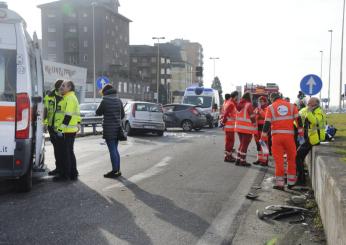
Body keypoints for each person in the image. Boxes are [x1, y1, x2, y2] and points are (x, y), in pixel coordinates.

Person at [261, 92, 304, 190]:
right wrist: (300, 133)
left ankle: (280, 184)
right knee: (291, 159)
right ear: (280, 97)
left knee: (279, 160)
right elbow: (299, 120)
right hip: (289, 137)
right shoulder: (292, 106)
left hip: (276, 137)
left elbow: (267, 123)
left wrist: (263, 137)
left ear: (272, 98)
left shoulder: (271, 107)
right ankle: (291, 183)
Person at [96, 84, 125, 178]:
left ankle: (115, 171)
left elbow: (98, 112)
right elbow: (123, 115)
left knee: (112, 150)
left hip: (109, 129)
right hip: (117, 128)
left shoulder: (105, 101)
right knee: (115, 149)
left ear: (105, 92)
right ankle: (118, 170)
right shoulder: (119, 100)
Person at [54, 80, 81, 181]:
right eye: (61, 85)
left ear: (69, 88)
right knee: (69, 152)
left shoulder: (69, 98)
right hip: (69, 130)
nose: (61, 87)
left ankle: (66, 176)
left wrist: (60, 129)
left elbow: (68, 116)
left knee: (66, 154)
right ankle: (73, 173)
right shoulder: (69, 97)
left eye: (63, 86)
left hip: (67, 131)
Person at [295, 97, 326, 185]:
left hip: (314, 138)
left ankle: (301, 180)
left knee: (297, 156)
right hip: (306, 137)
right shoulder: (307, 109)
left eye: (310, 103)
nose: (308, 104)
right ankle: (299, 177)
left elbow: (315, 121)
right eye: (307, 103)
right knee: (298, 156)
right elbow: (298, 118)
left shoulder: (319, 111)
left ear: (315, 104)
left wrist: (308, 112)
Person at [43, 79, 63, 176]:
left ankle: (65, 169)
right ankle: (58, 168)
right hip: (52, 127)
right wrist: (44, 123)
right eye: (62, 86)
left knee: (63, 149)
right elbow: (45, 112)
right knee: (56, 149)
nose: (64, 88)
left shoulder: (66, 97)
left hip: (63, 128)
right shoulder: (49, 97)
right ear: (58, 87)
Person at [234, 92, 256, 167]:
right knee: (244, 145)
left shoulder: (239, 104)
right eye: (251, 96)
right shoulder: (248, 105)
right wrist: (254, 123)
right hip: (246, 128)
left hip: (239, 127)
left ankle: (238, 159)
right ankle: (242, 161)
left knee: (241, 144)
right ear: (249, 97)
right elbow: (252, 116)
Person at [222, 91, 238, 162]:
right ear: (235, 96)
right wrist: (223, 122)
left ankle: (228, 156)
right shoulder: (231, 104)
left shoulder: (228, 102)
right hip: (230, 126)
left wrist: (223, 123)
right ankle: (228, 156)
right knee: (230, 142)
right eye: (237, 96)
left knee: (228, 141)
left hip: (228, 125)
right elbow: (226, 114)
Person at [253, 96, 269, 166]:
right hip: (257, 129)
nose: (260, 103)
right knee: (258, 145)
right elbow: (253, 117)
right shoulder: (256, 109)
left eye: (262, 101)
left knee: (264, 144)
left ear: (265, 102)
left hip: (263, 128)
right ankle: (259, 159)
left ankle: (265, 161)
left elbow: (265, 116)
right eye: (259, 101)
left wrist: (260, 111)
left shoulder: (267, 109)